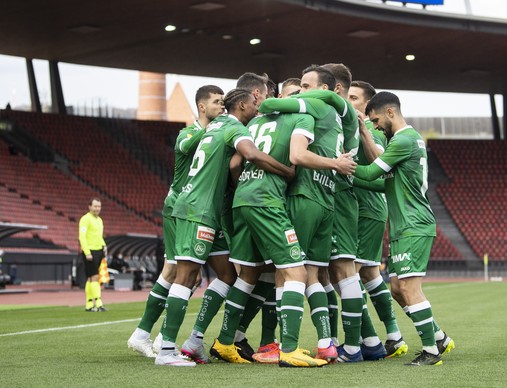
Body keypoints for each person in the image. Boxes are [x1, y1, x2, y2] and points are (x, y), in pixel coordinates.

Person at [155, 88, 295, 367]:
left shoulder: (214, 126)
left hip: (201, 208)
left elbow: (232, 165)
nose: (258, 109)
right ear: (242, 105)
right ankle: (166, 350)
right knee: (186, 277)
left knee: (227, 274)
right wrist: (287, 171)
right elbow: (251, 154)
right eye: (254, 104)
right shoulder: (232, 125)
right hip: (198, 210)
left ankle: (194, 341)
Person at [211, 106, 356, 367]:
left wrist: (243, 185)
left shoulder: (253, 122)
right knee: (297, 273)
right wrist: (287, 173)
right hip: (269, 201)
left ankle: (224, 341)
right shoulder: (302, 117)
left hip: (241, 199)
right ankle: (289, 349)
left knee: (248, 274)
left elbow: (234, 163)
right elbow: (297, 156)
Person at [353, 91, 455, 366]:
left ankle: (431, 351)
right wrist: (350, 178)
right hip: (402, 226)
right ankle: (439, 337)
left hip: (413, 224)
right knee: (397, 288)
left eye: (375, 120)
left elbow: (371, 172)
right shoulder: (405, 141)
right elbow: (380, 183)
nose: (374, 126)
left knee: (409, 287)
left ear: (390, 113)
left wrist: (338, 167)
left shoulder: (404, 139)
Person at [127, 85, 225, 359]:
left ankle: (150, 335)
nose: (222, 107)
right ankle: (149, 336)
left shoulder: (215, 134)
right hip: (180, 208)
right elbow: (183, 145)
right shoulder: (190, 132)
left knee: (186, 275)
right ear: (202, 107)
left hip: (193, 209)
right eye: (217, 102)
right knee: (175, 271)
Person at [349, 80, 408, 358]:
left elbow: (379, 171)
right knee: (370, 274)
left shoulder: (377, 132)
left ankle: (368, 340)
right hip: (360, 209)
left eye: (354, 98)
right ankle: (394, 337)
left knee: (347, 274)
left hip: (368, 209)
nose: (349, 102)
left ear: (370, 105)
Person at [79, 198, 108, 312]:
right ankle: (99, 303)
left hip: (98, 250)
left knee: (91, 278)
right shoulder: (85, 219)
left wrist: (104, 246)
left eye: (99, 206)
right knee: (95, 277)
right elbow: (82, 237)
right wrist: (87, 252)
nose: (97, 209)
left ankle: (89, 304)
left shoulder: (100, 220)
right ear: (89, 207)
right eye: (95, 206)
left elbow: (99, 236)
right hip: (90, 251)